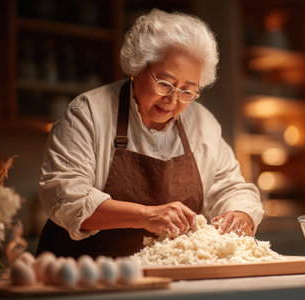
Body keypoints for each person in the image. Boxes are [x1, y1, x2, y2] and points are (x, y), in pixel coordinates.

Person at [36, 9, 263, 259]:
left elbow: (231, 188)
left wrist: (240, 214)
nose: (173, 99)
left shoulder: (203, 124)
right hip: (83, 274)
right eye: (165, 83)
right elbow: (65, 195)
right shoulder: (88, 113)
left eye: (188, 91)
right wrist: (145, 215)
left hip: (164, 278)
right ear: (138, 66)